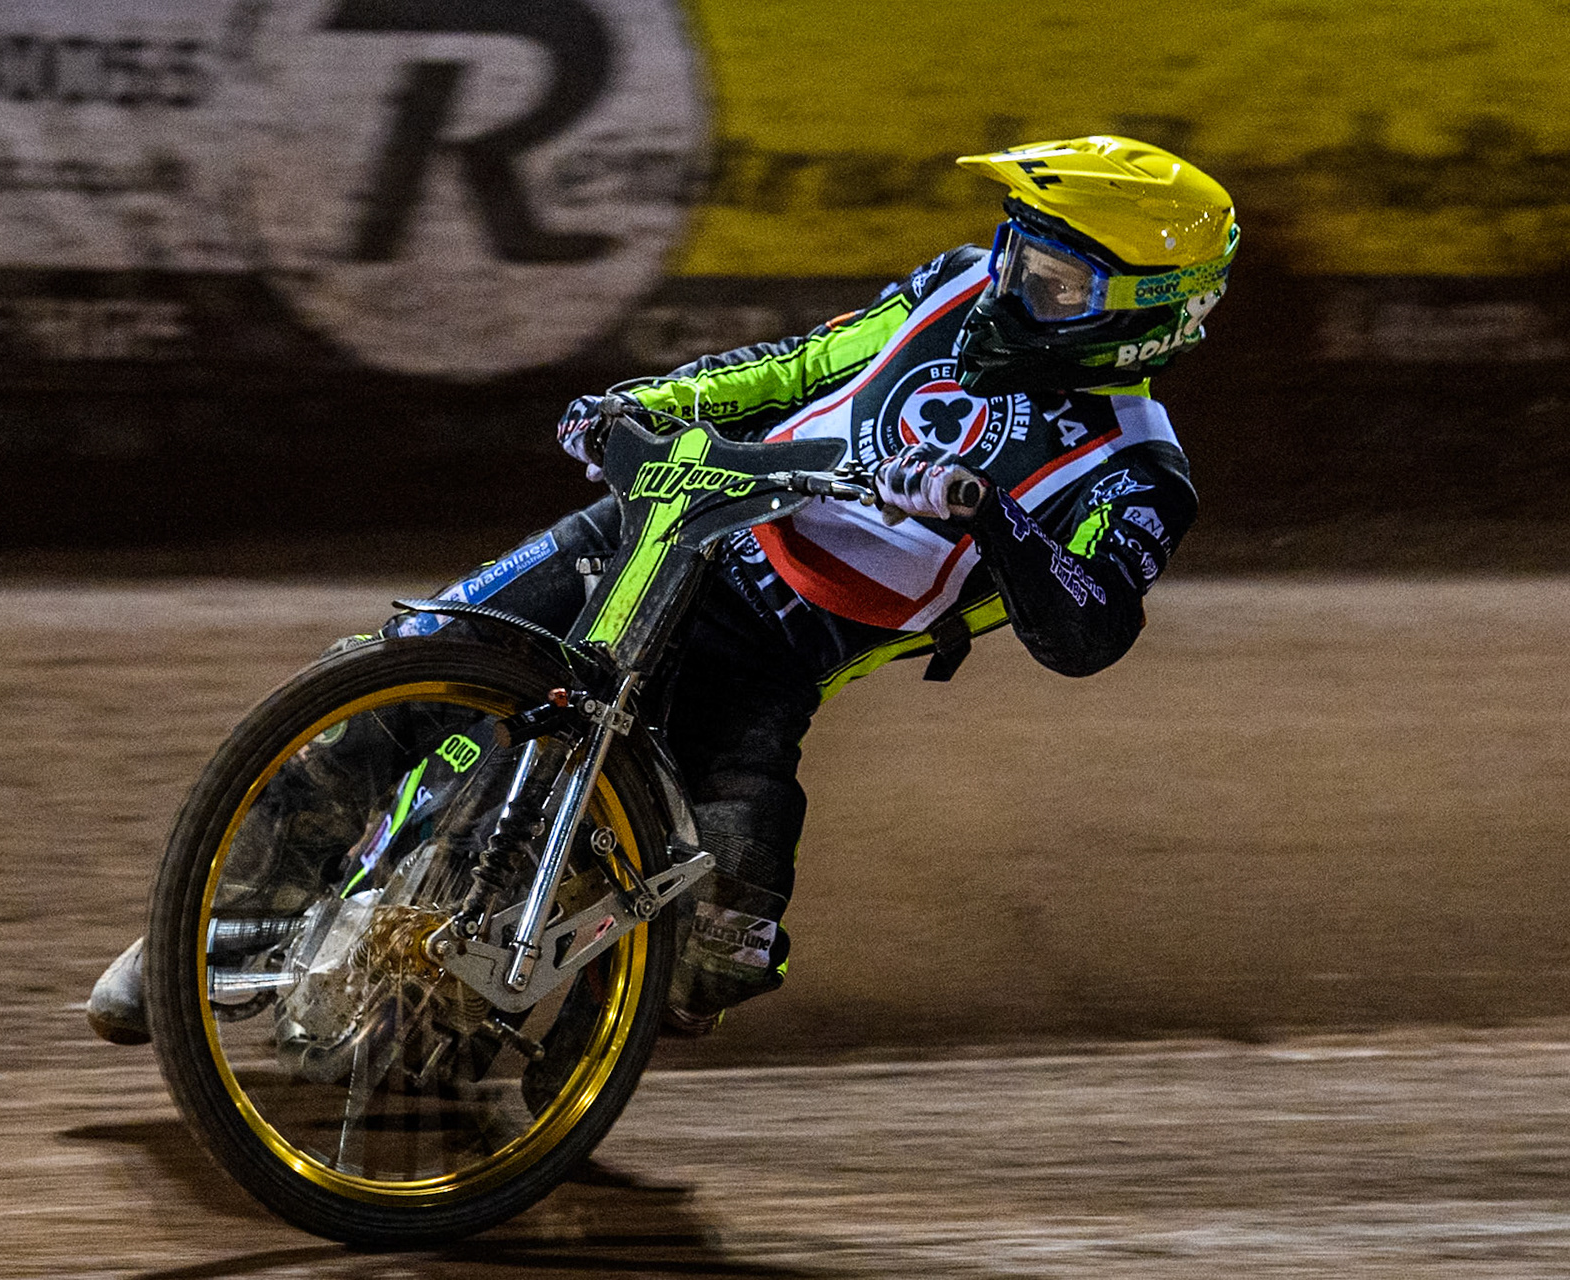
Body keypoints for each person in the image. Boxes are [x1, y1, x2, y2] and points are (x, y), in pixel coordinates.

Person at [86, 134, 1237, 1044]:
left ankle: (529, 1013)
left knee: (715, 951)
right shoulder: (953, 291)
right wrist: (661, 398)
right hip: (671, 527)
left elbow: (1088, 629)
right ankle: (209, 930)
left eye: (1052, 274)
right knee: (402, 670)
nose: (1007, 281)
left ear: (1145, 307)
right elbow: (801, 365)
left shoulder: (1137, 466)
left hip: (779, 649)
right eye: (1013, 245)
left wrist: (992, 513)